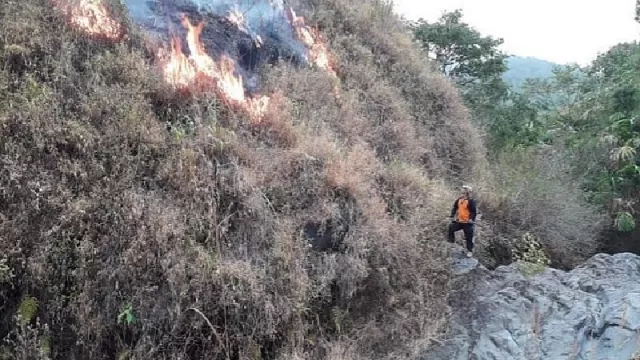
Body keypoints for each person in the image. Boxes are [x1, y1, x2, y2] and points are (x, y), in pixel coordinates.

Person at [448, 185, 477, 257]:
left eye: (464, 191)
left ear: (467, 193)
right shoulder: (459, 200)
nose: (462, 193)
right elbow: (454, 208)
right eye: (462, 192)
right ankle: (451, 242)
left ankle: (470, 251)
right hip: (459, 221)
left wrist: (471, 219)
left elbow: (473, 212)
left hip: (467, 223)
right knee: (451, 228)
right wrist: (452, 216)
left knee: (469, 237)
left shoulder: (471, 201)